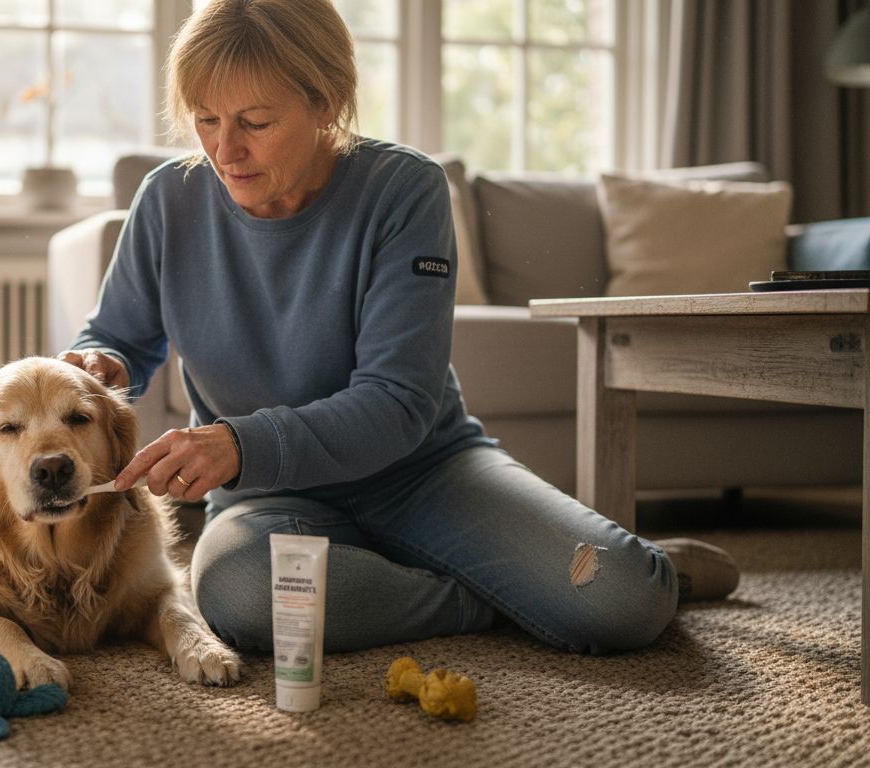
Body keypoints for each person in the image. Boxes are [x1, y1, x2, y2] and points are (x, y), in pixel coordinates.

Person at [59, 0, 738, 656]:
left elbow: (398, 401)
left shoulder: (404, 189)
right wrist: (100, 362)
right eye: (205, 120)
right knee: (241, 597)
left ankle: (648, 574)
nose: (224, 149)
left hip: (424, 472)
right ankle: (491, 597)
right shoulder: (167, 199)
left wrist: (241, 442)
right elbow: (117, 335)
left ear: (325, 102)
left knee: (623, 601)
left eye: (255, 122)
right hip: (274, 496)